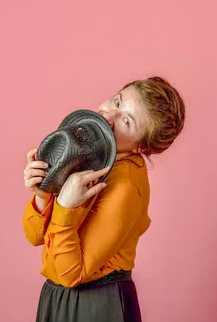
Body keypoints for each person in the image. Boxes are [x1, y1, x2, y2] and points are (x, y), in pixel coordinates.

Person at [22, 76, 185, 322]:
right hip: (59, 300)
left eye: (127, 121)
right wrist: (43, 195)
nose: (109, 118)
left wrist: (65, 207)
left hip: (94, 306)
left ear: (142, 147)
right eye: (117, 102)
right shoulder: (93, 157)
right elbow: (34, 236)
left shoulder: (126, 187)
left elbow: (69, 275)